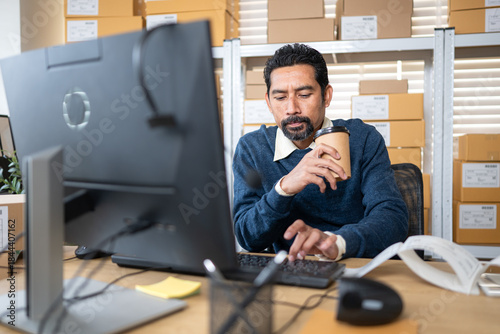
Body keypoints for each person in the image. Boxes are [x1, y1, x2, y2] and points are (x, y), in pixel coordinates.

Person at [232, 43, 408, 261]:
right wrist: (284, 188)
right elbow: (248, 238)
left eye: (304, 94)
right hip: (288, 272)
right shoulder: (252, 149)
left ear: (326, 96)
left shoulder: (363, 139)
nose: (292, 108)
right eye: (280, 98)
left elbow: (393, 221)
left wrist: (336, 243)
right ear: (268, 101)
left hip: (351, 263)